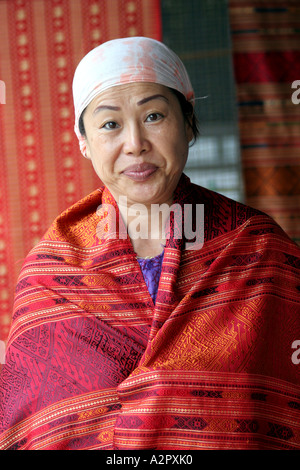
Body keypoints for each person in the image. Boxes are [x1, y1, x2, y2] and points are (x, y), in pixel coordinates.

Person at [0, 36, 299, 451]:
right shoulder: (52, 272)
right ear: (84, 141)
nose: (135, 142)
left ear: (188, 121)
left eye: (154, 115)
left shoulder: (257, 249)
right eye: (110, 124)